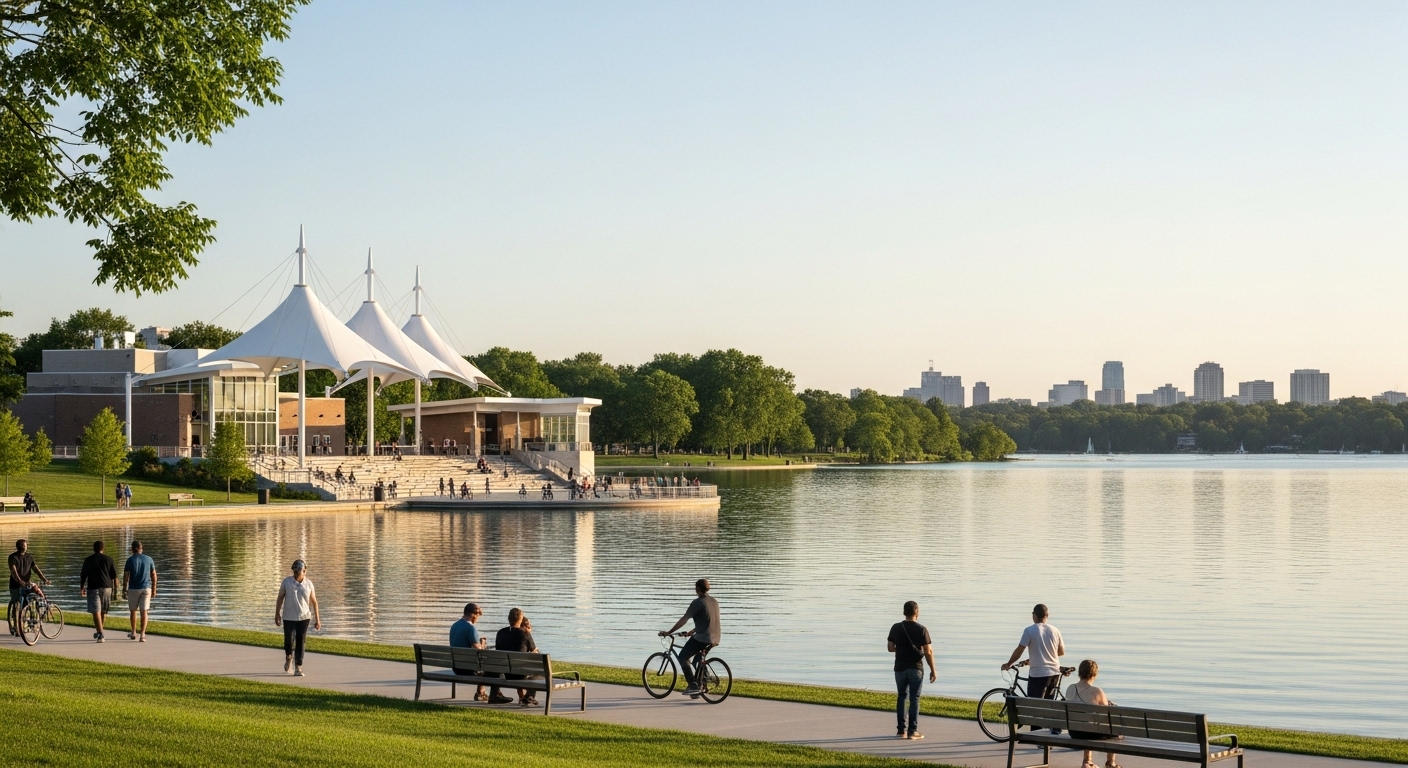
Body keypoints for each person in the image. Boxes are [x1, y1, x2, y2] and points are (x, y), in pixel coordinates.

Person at [1002, 603, 1067, 731]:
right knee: (1047, 706)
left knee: (1035, 707)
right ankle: (1048, 738)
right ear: (1047, 616)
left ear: (1034, 616)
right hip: (1054, 673)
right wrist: (1037, 657)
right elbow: (1061, 652)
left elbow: (1020, 649)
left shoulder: (1029, 630)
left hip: (1039, 674)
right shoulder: (1055, 630)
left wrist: (1008, 664)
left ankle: (1037, 737)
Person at [659, 578, 721, 698]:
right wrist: (692, 631)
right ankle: (702, 683)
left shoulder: (697, 602)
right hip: (715, 638)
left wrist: (669, 632)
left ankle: (692, 685)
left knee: (683, 657)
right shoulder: (714, 601)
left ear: (697, 589)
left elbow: (684, 619)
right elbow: (707, 621)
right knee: (697, 660)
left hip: (703, 638)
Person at [887, 601, 937, 740]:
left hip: (900, 667)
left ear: (904, 612)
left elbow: (890, 647)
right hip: (916, 668)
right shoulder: (922, 629)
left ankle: (901, 730)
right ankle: (912, 731)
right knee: (914, 698)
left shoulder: (896, 627)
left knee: (902, 696)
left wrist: (901, 650)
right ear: (917, 612)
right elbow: (928, 652)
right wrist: (933, 670)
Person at [1066, 660, 1121, 768]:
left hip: (1074, 732)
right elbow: (1107, 714)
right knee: (1115, 729)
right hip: (1089, 732)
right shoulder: (1097, 691)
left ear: (1079, 673)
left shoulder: (1070, 688)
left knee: (1087, 725)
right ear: (1094, 674)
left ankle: (1087, 761)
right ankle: (1111, 762)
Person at [274, 559, 321, 676]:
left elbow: (314, 602)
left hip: (304, 617)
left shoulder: (309, 584)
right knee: (288, 641)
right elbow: (280, 598)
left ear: (304, 571)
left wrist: (317, 619)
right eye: (294, 571)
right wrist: (277, 613)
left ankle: (298, 666)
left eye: (298, 571)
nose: (296, 574)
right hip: (289, 617)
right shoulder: (286, 582)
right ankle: (289, 656)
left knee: (301, 641)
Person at [490, 607, 538, 705]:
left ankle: (493, 695)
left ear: (509, 619)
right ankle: (529, 696)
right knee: (538, 673)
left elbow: (498, 650)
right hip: (520, 674)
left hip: (505, 672)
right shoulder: (525, 634)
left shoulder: (500, 633)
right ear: (521, 619)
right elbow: (534, 651)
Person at [8, 539, 48, 636]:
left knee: (35, 598)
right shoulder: (12, 557)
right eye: (22, 546)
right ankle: (16, 627)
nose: (24, 547)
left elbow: (35, 569)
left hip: (27, 584)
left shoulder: (29, 557)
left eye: (25, 546)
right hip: (15, 585)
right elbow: (14, 572)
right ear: (18, 547)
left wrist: (44, 579)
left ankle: (34, 619)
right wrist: (20, 581)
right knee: (17, 604)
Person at [79, 540, 118, 643]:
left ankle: (100, 633)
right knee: (103, 611)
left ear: (94, 548)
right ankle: (100, 631)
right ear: (102, 548)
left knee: (96, 611)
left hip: (93, 587)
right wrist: (116, 590)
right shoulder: (109, 559)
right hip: (107, 587)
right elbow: (114, 577)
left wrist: (81, 587)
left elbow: (83, 575)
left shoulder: (88, 560)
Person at [450, 602, 489, 701]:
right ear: (473, 615)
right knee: (490, 667)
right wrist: (483, 644)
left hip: (456, 667)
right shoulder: (471, 628)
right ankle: (483, 692)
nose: (477, 619)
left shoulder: (454, 626)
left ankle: (481, 692)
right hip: (467, 668)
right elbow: (478, 650)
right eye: (477, 616)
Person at [122, 540, 157, 642]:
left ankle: (133, 632)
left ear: (132, 549)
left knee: (133, 611)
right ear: (141, 548)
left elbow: (126, 576)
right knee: (144, 611)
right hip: (146, 588)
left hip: (133, 588)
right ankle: (142, 635)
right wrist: (154, 589)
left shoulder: (130, 560)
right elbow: (154, 575)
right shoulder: (149, 559)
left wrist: (124, 589)